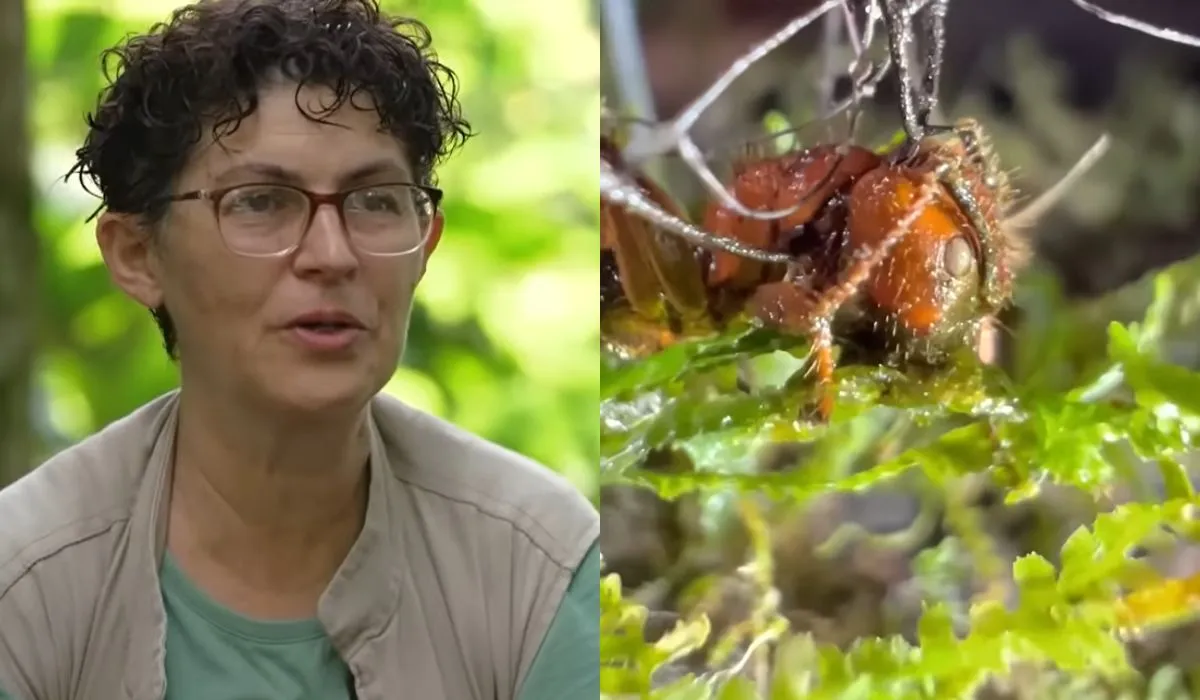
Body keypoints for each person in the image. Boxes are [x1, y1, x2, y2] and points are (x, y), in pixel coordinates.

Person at [0, 1, 599, 698]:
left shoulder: (534, 563)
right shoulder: (28, 583)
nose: (330, 254)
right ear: (138, 254)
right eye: (260, 201)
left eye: (375, 201)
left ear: (425, 246)